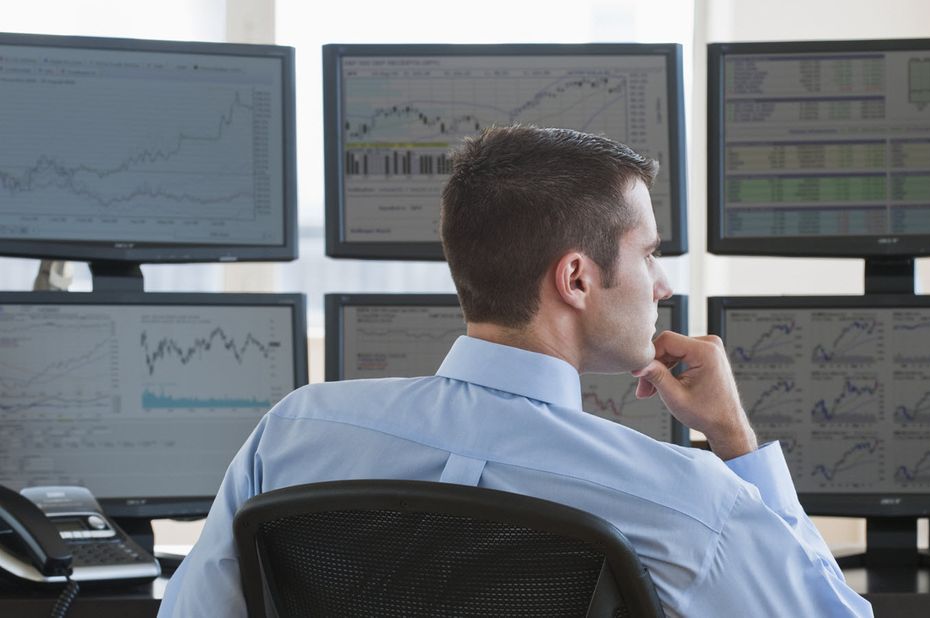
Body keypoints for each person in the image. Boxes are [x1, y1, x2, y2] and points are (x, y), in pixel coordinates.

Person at [158, 125, 873, 617]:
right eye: (649, 254)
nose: (662, 285)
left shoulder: (293, 433)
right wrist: (736, 443)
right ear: (576, 278)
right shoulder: (689, 503)